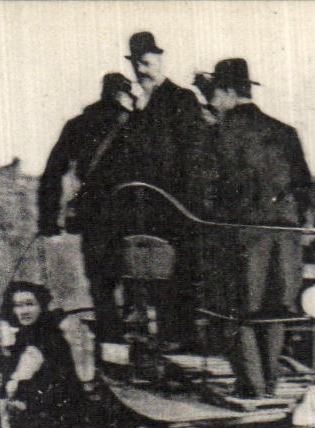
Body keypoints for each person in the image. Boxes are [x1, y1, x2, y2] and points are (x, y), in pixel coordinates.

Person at [189, 59, 312, 399]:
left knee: (234, 311)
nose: (213, 102)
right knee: (273, 311)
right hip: (284, 239)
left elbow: (204, 191)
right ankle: (269, 384)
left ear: (229, 92)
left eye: (215, 94)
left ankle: (250, 386)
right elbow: (304, 187)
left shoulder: (217, 134)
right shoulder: (285, 131)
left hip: (239, 237)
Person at [104, 32, 207, 346]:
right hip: (140, 208)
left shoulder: (181, 99)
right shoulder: (135, 107)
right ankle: (149, 339)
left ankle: (178, 338)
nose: (142, 69)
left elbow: (194, 156)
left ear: (159, 60)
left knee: (175, 276)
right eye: (137, 63)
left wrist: (188, 204)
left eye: (147, 62)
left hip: (174, 205)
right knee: (141, 276)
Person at [38, 72, 135, 343]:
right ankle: (137, 327)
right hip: (135, 211)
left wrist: (48, 219)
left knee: (100, 282)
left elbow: (52, 173)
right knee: (136, 274)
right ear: (124, 95)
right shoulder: (136, 124)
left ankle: (111, 338)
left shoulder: (78, 124)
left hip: (94, 212)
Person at [0, 282, 83, 428]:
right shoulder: (18, 339)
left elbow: (63, 383)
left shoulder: (52, 338)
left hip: (52, 423)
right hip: (24, 424)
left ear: (41, 306)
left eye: (29, 304)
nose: (24, 311)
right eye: (18, 305)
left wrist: (25, 395)